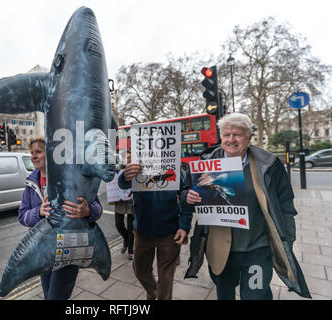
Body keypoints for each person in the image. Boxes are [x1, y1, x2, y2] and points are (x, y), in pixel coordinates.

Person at [183, 113, 311, 300]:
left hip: (257, 249)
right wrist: (188, 197)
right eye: (226, 135)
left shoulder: (269, 164)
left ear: (250, 137)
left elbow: (286, 205)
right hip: (221, 251)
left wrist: (287, 239)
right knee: (224, 295)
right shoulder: (206, 164)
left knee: (256, 296)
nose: (231, 140)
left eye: (238, 134)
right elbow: (186, 197)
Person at [18, 136, 104, 300]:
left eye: (38, 152)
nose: (33, 156)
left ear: (50, 154)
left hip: (68, 249)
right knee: (48, 294)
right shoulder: (30, 183)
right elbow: (22, 216)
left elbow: (97, 209)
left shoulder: (71, 177)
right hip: (43, 250)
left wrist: (87, 211)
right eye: (31, 153)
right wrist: (39, 212)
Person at [118, 153, 192, 300]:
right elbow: (122, 184)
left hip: (170, 233)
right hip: (142, 232)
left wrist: (184, 226)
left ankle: (159, 296)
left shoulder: (175, 168)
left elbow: (186, 197)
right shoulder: (138, 163)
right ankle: (155, 293)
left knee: (166, 278)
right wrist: (125, 175)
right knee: (140, 270)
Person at [114, 149, 134, 260]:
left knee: (131, 227)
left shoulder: (135, 168)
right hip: (119, 200)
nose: (128, 160)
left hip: (131, 200)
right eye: (127, 157)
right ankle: (126, 240)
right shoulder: (118, 168)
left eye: (130, 157)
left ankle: (131, 250)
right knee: (118, 224)